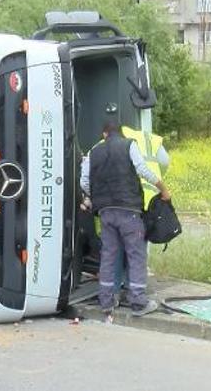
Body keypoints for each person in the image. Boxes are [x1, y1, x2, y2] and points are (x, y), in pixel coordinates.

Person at [80, 121, 171, 317]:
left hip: (105, 213)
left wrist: (96, 198)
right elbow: (142, 169)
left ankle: (106, 301)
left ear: (104, 134)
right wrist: (163, 189)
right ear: (120, 134)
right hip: (128, 210)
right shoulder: (129, 145)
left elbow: (84, 181)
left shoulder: (93, 152)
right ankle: (138, 302)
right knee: (136, 255)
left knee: (109, 256)